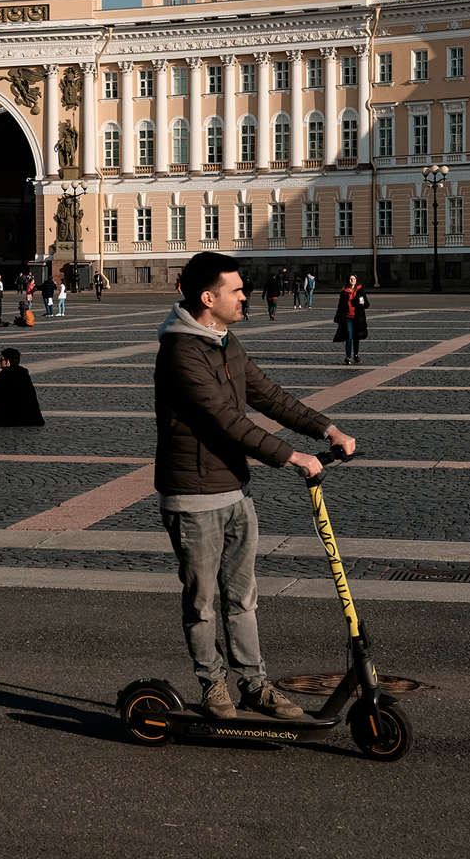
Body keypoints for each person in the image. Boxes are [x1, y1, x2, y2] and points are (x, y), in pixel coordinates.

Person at [154, 251, 356, 721]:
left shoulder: (226, 341)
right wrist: (292, 457)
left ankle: (255, 684)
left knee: (242, 597)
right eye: (237, 289)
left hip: (235, 492)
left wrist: (328, 430)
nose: (246, 295)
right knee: (203, 602)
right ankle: (213, 687)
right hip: (193, 496)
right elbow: (226, 422)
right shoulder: (181, 353)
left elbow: (269, 395)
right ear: (209, 298)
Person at [0, 348, 44, 426]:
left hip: (12, 416)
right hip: (32, 417)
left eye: (2, 359)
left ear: (8, 361)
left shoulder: (3, 374)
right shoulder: (24, 373)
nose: (0, 361)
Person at [334, 274, 370, 365]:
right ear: (348, 280)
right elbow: (340, 306)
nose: (352, 280)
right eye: (350, 278)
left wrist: (360, 303)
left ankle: (356, 355)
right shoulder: (344, 291)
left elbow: (366, 304)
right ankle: (348, 356)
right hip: (347, 318)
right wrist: (337, 317)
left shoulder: (360, 291)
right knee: (349, 337)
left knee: (356, 337)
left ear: (356, 280)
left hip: (357, 318)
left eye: (353, 278)